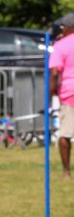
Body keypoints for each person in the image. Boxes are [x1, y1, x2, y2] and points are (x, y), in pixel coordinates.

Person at [49, 12, 74, 179]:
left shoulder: (61, 45)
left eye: (63, 27)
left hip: (69, 94)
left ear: (68, 28)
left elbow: (54, 74)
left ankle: (66, 172)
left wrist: (49, 97)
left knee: (65, 134)